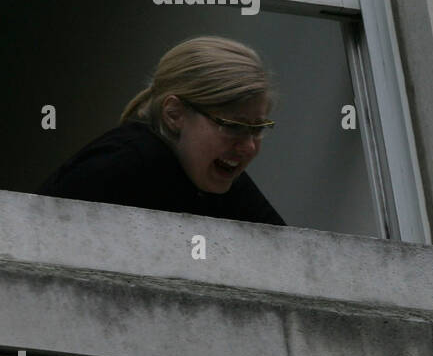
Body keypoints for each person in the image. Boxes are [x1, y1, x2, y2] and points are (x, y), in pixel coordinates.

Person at [38, 36, 285, 226]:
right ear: (174, 114)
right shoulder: (118, 167)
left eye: (257, 129)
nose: (248, 146)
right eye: (232, 126)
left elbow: (282, 256)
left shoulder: (221, 178)